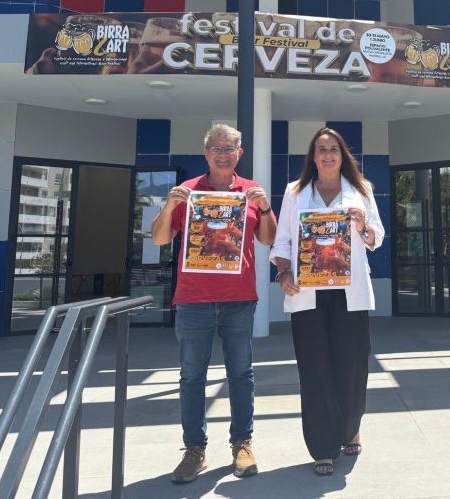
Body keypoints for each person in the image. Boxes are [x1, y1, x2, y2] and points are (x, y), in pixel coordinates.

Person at [151, 124, 276, 484]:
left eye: (229, 148)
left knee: (241, 374)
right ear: (206, 153)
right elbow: (159, 238)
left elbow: (267, 239)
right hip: (194, 300)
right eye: (216, 148)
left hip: (239, 300)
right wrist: (169, 205)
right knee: (192, 377)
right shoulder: (187, 192)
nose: (223, 154)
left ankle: (242, 444)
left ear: (240, 153)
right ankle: (194, 449)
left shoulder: (250, 191)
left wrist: (265, 207)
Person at [271, 127, 385, 477]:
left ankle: (350, 428)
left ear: (342, 154)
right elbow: (282, 241)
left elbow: (376, 237)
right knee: (314, 368)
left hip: (350, 293)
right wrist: (284, 273)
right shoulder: (295, 192)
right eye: (321, 149)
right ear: (313, 157)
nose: (327, 155)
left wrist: (363, 225)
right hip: (308, 293)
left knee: (352, 366)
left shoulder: (361, 190)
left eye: (333, 149)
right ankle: (322, 447)